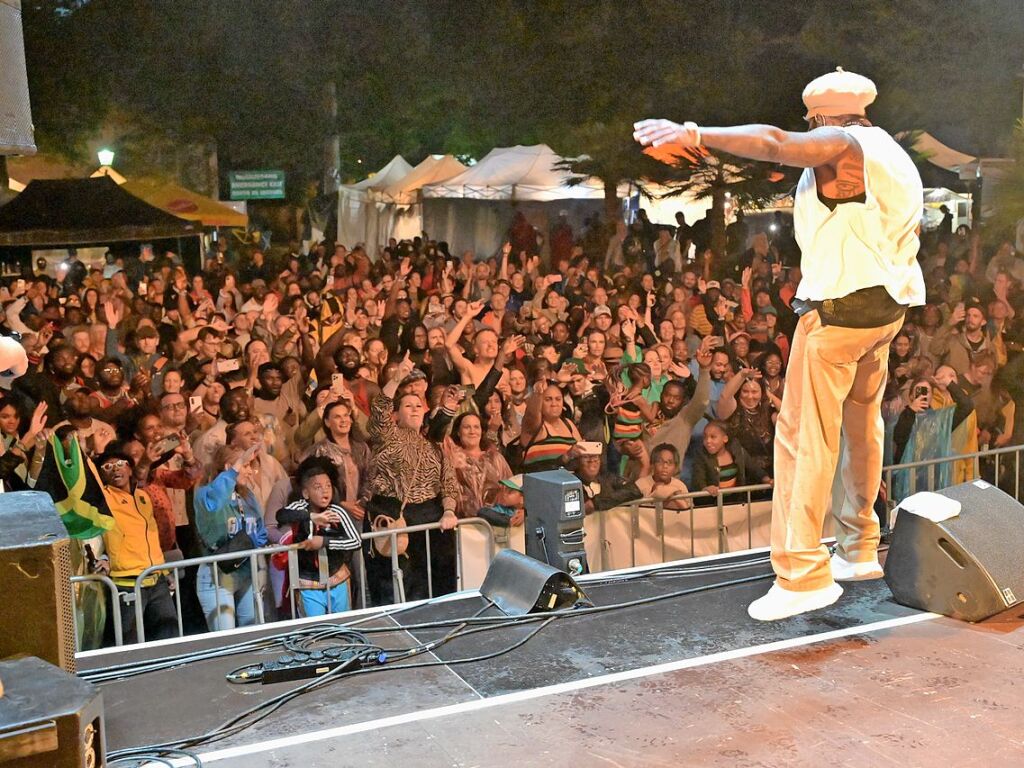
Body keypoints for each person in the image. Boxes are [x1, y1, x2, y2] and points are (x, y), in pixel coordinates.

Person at [637, 67, 925, 619]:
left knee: (802, 439)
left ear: (818, 116)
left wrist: (694, 133)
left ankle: (801, 574)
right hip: (885, 312)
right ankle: (860, 545)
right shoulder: (893, 151)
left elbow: (776, 142)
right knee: (863, 425)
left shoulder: (842, 143)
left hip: (838, 316)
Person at [193, 443, 268, 630]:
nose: (250, 472)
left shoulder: (247, 496)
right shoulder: (204, 495)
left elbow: (259, 530)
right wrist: (236, 468)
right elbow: (214, 502)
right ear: (228, 467)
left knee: (253, 637)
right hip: (217, 576)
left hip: (246, 572)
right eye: (245, 466)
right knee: (227, 642)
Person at [276, 457, 361, 616]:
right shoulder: (299, 507)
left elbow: (356, 541)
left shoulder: (338, 511)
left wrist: (324, 541)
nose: (325, 491)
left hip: (337, 580)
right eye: (318, 487)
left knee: (343, 626)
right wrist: (311, 517)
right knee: (316, 630)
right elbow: (281, 516)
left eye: (328, 486)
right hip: (309, 584)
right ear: (306, 493)